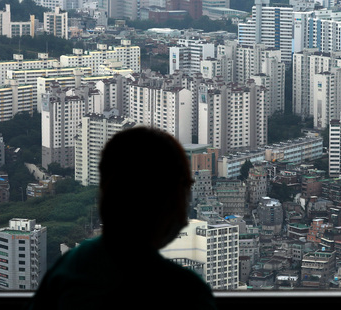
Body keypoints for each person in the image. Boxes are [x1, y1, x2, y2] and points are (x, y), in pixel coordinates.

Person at [28, 127, 217, 309]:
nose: (185, 216)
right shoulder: (184, 292)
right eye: (184, 190)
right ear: (169, 201)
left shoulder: (70, 268)